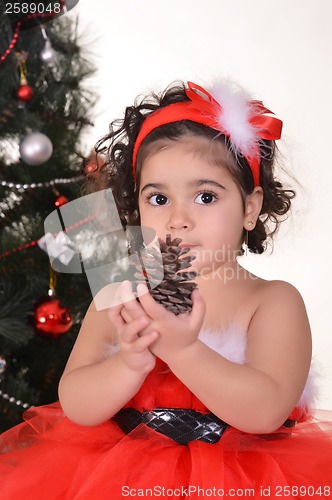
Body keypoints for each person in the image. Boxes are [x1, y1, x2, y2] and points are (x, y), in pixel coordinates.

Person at [1, 79, 332, 499]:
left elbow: (266, 412)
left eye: (206, 197)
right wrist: (129, 362)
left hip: (240, 481)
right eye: (158, 199)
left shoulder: (271, 302)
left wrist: (182, 350)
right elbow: (77, 405)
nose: (179, 219)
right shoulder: (123, 292)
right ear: (135, 207)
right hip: (115, 478)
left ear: (250, 208)